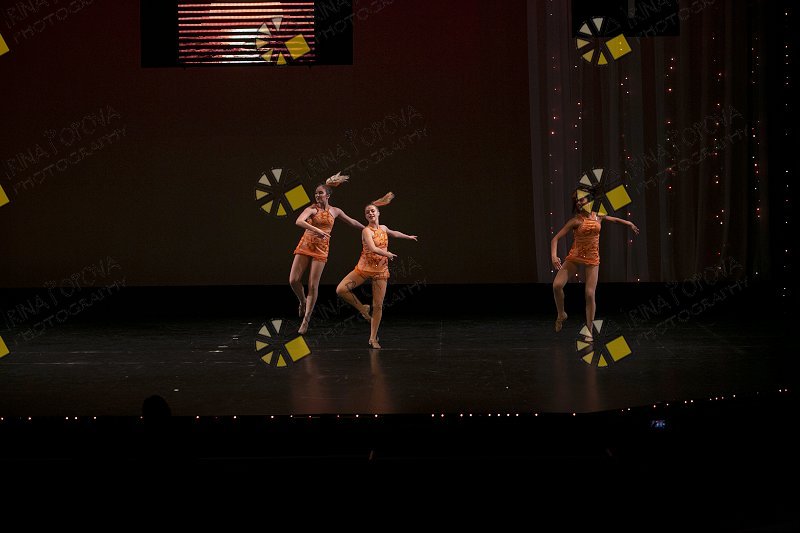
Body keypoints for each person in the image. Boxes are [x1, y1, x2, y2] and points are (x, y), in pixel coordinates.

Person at [551, 188, 639, 342]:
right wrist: (553, 256)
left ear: (589, 200)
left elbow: (614, 219)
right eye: (576, 201)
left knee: (590, 294)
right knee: (557, 285)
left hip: (592, 258)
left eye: (581, 200)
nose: (578, 203)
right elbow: (555, 239)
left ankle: (589, 330)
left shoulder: (598, 216)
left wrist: (628, 223)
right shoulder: (576, 221)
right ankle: (561, 314)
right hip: (576, 256)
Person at [336, 193, 418, 349]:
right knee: (341, 289)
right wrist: (387, 253)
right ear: (366, 216)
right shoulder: (366, 231)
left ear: (378, 213)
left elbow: (394, 233)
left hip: (380, 270)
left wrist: (407, 236)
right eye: (367, 212)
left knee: (378, 305)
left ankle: (373, 338)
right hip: (364, 268)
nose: (370, 213)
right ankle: (363, 309)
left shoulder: (384, 228)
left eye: (373, 211)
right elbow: (373, 248)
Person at [290, 172, 365, 334]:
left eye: (320, 193)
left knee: (313, 285)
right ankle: (302, 301)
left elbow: (351, 221)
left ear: (328, 196)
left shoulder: (335, 211)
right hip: (306, 245)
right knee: (293, 280)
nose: (317, 195)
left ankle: (306, 320)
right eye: (316, 193)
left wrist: (366, 228)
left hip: (322, 249)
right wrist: (317, 230)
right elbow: (299, 221)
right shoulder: (311, 209)